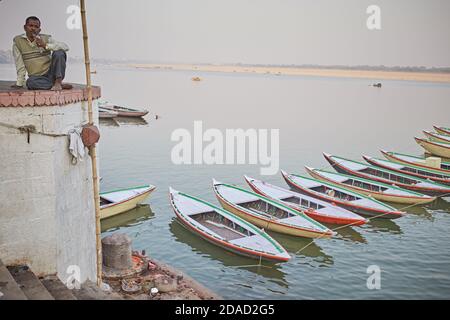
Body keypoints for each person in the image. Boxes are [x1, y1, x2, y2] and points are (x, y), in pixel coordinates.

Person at [11, 16, 72, 91]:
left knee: (59, 52)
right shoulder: (18, 41)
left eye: (36, 27)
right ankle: (56, 85)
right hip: (37, 78)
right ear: (25, 27)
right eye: (30, 26)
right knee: (30, 83)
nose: (33, 28)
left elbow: (65, 47)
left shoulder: (46, 38)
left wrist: (45, 45)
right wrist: (19, 83)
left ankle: (58, 82)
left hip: (51, 73)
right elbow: (19, 64)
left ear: (39, 30)